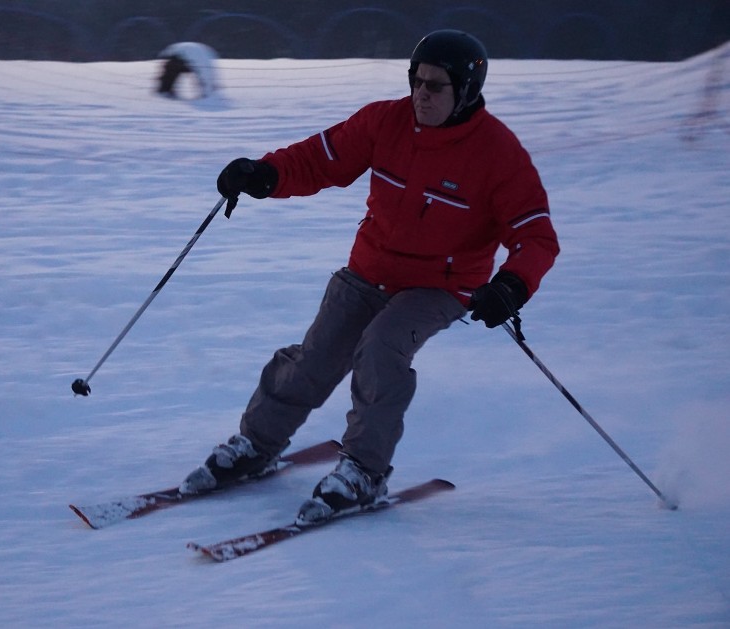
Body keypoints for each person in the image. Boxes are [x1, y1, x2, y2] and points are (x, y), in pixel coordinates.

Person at [179, 30, 559, 524]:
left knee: (382, 349)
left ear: (464, 91)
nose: (422, 94)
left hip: (439, 286)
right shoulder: (386, 121)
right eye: (416, 81)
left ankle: (363, 470)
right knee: (315, 357)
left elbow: (536, 236)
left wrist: (511, 285)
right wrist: (263, 175)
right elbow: (321, 158)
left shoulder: (497, 154)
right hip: (370, 269)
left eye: (436, 86)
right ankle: (256, 444)